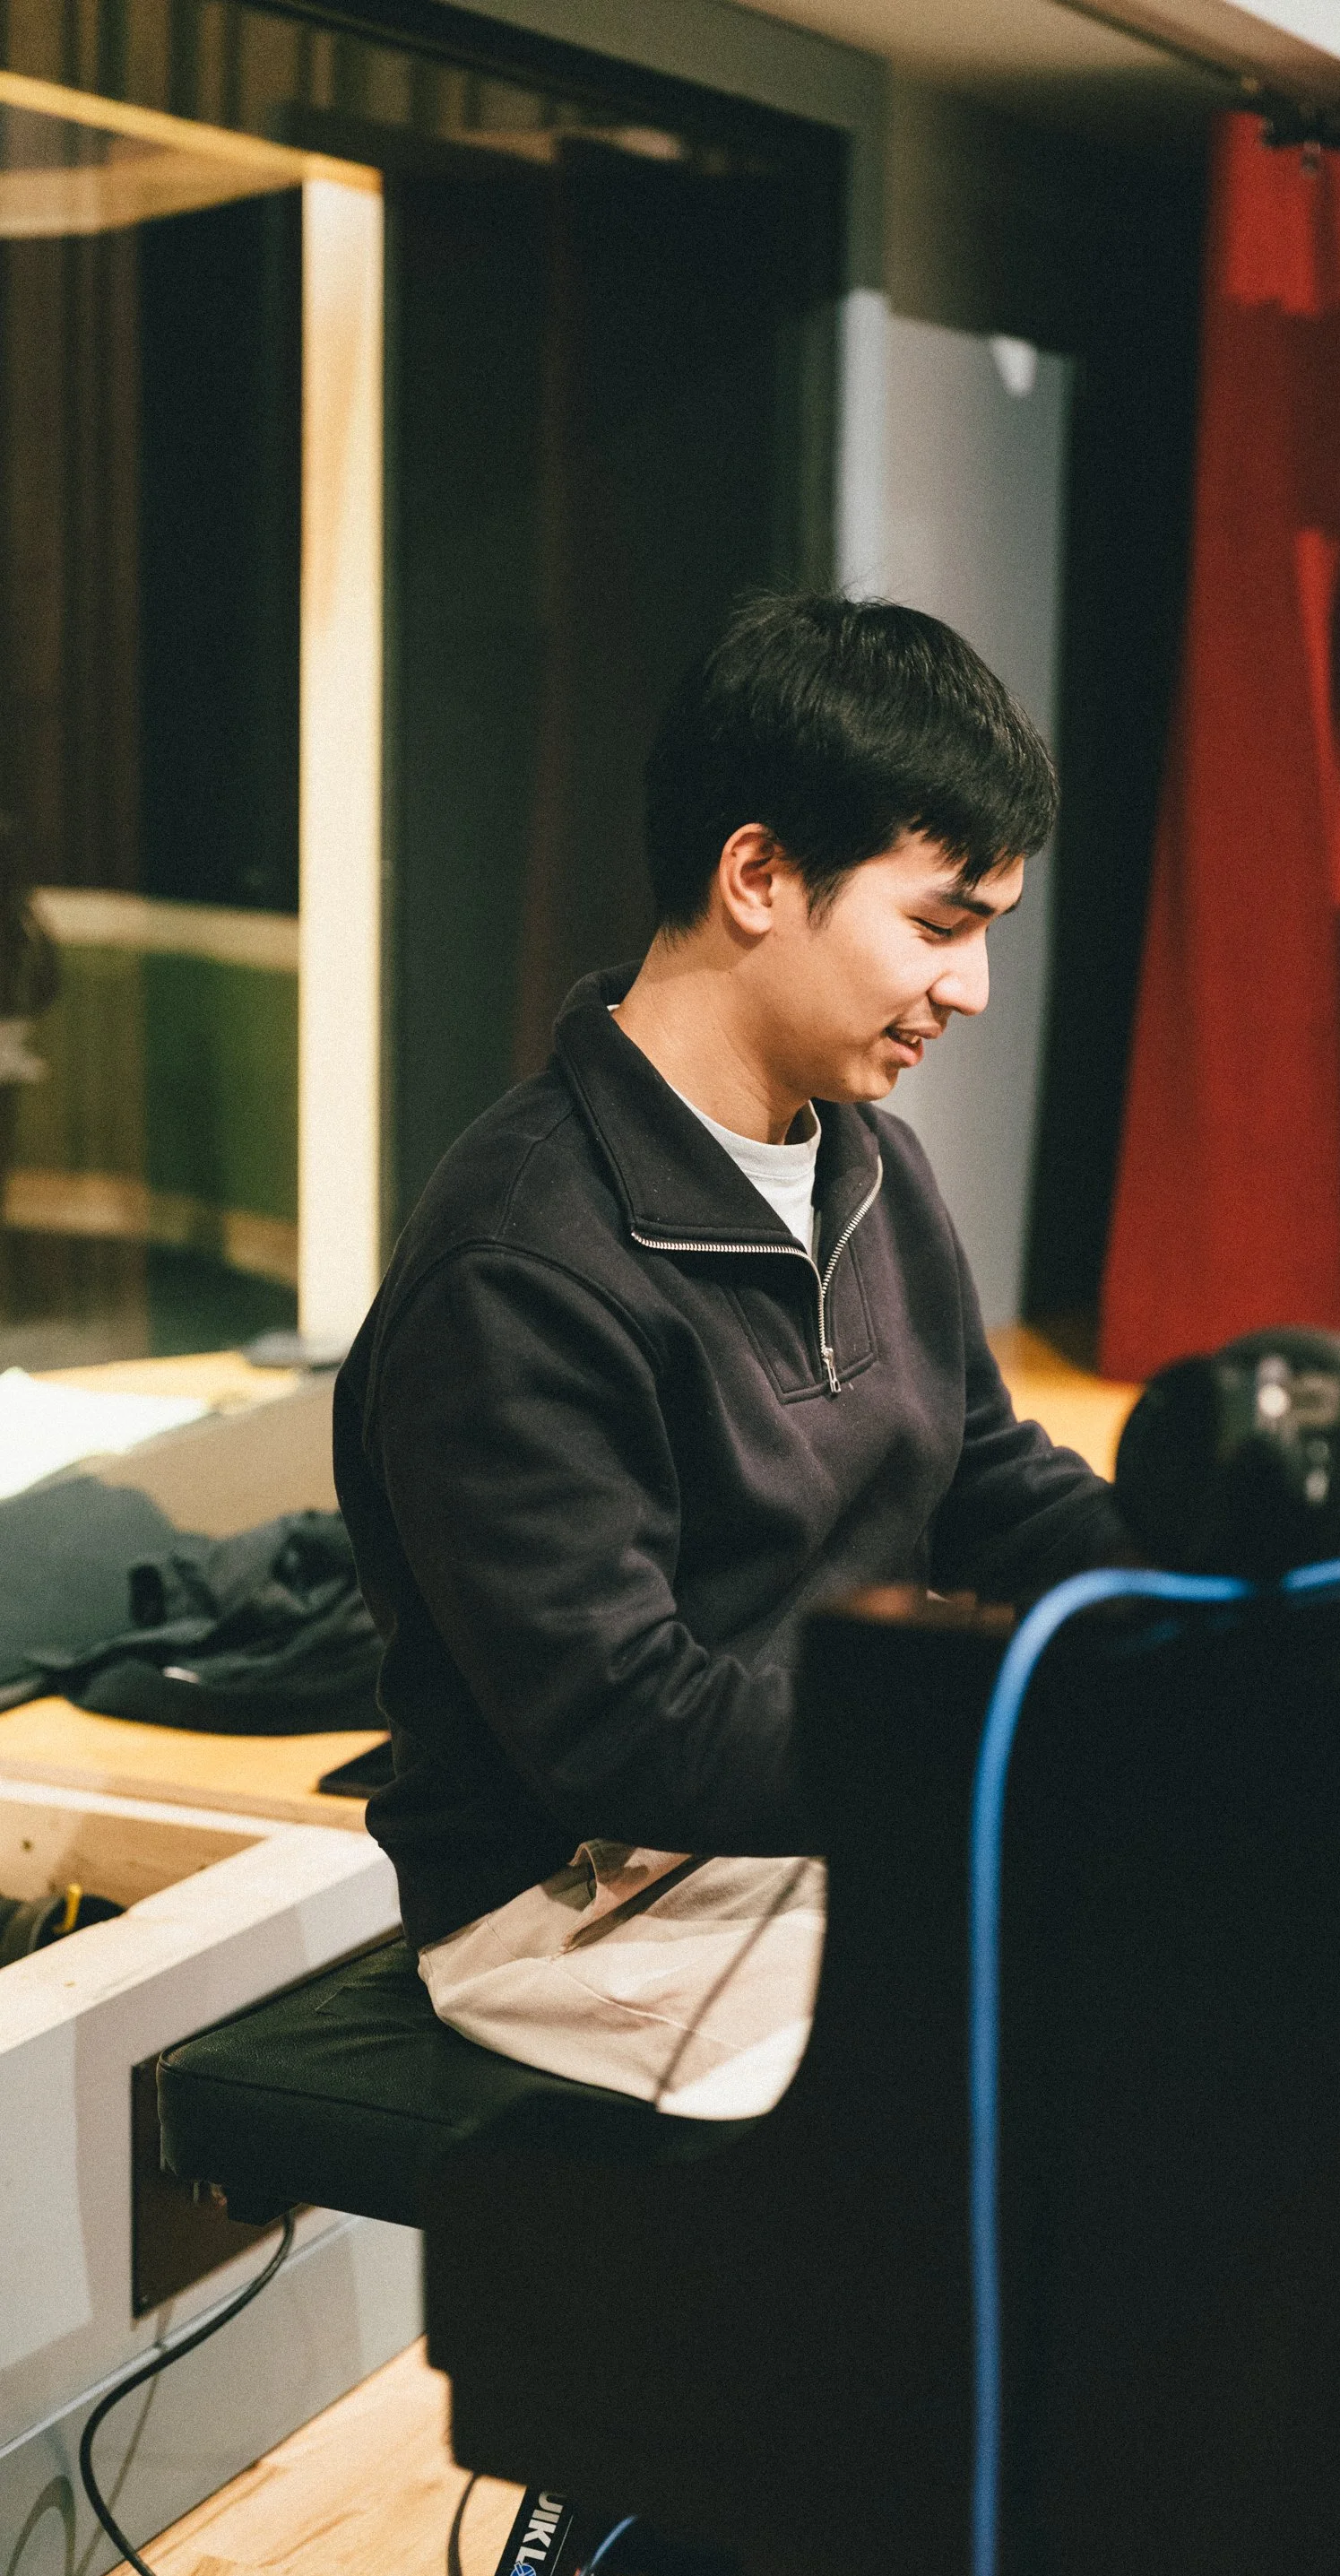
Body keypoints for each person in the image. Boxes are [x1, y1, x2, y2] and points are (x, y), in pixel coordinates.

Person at [334, 592, 1129, 2118]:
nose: (970, 989)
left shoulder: (869, 1167)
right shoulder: (519, 1257)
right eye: (939, 926)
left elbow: (994, 1487)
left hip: (815, 1827)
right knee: (1058, 2072)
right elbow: (622, 1726)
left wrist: (1209, 1603)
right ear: (757, 876)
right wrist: (983, 1733)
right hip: (585, 1906)